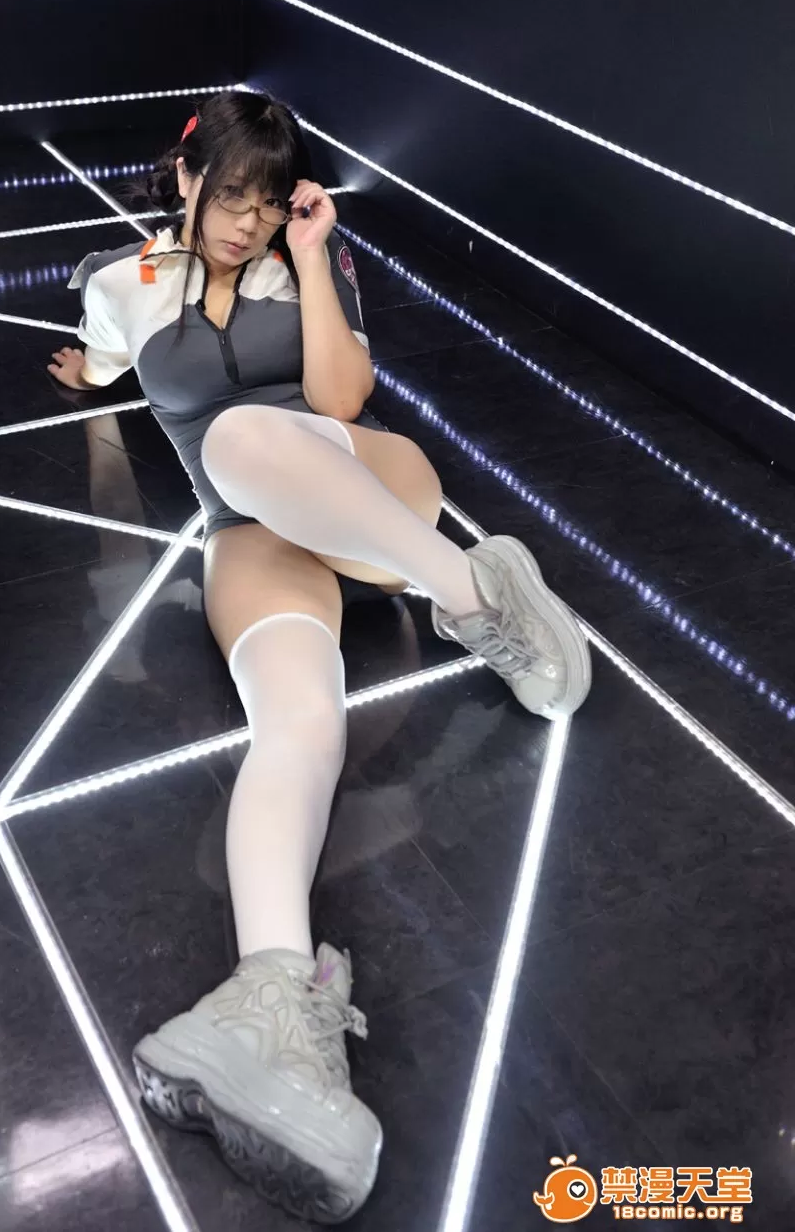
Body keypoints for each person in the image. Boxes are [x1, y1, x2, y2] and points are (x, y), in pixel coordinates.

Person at [46, 89, 591, 1223]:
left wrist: (312, 254)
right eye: (228, 197)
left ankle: (469, 593)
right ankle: (270, 1003)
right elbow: (103, 362)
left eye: (265, 202)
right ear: (184, 176)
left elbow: (345, 395)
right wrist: (86, 380)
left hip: (368, 490)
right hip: (251, 534)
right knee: (300, 722)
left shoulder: (308, 262)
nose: (245, 222)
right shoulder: (120, 280)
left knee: (244, 431)